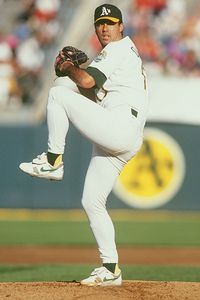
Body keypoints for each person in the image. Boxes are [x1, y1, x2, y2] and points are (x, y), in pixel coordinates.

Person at [19, 4, 149, 286]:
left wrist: (68, 68)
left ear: (121, 26)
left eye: (111, 23)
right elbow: (92, 90)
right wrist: (73, 72)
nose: (105, 28)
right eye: (100, 23)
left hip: (120, 126)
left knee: (57, 93)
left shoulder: (117, 49)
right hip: (122, 131)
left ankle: (53, 161)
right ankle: (111, 269)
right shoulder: (119, 52)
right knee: (92, 201)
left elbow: (87, 80)